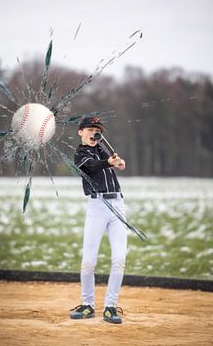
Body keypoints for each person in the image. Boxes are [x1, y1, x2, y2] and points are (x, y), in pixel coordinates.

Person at [69, 116, 127, 324]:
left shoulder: (102, 149)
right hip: (97, 207)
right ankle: (87, 305)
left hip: (118, 206)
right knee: (89, 261)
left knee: (119, 259)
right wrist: (108, 162)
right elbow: (92, 166)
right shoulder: (80, 153)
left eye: (97, 129)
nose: (94, 132)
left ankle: (110, 307)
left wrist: (117, 163)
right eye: (90, 129)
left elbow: (109, 163)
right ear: (81, 132)